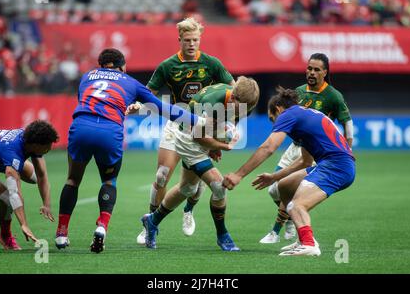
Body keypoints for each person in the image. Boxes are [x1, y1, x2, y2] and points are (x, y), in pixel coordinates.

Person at [54, 48, 207, 253]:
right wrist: (199, 121)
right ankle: (101, 226)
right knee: (109, 181)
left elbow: (84, 99)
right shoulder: (130, 82)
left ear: (101, 65)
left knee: (72, 180)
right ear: (122, 66)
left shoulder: (87, 76)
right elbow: (162, 109)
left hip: (81, 126)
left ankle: (62, 234)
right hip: (109, 131)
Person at [129, 17, 235, 245]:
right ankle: (150, 224)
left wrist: (223, 126)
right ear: (180, 40)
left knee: (192, 187)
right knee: (161, 175)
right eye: (187, 40)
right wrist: (138, 105)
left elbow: (233, 89)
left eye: (195, 39)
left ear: (200, 39)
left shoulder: (212, 63)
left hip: (201, 128)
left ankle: (188, 211)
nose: (191, 44)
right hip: (176, 125)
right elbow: (149, 93)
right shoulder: (167, 65)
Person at [223, 87, 356, 256]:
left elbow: (269, 147)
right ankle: (303, 239)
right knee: (284, 186)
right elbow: (306, 161)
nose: (275, 124)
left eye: (273, 119)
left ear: (278, 109)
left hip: (336, 166)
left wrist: (238, 174)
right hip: (334, 164)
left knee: (296, 205)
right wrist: (274, 177)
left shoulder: (288, 114)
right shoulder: (304, 116)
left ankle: (309, 244)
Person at [141, 77, 260, 251]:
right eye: (241, 107)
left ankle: (152, 221)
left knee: (187, 189)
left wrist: (215, 143)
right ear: (233, 97)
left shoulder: (241, 102)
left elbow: (223, 123)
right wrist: (223, 145)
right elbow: (198, 136)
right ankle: (222, 236)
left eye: (247, 109)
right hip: (187, 138)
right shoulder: (213, 103)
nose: (243, 112)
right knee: (219, 187)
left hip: (201, 135)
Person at [259, 53, 353, 245]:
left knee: (296, 197)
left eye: (317, 69)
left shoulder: (333, 95)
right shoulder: (298, 92)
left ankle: (277, 231)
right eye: (309, 68)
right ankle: (292, 220)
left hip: (318, 149)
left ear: (325, 72)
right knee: (274, 190)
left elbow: (347, 122)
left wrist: (348, 146)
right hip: (297, 147)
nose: (311, 72)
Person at [0, 120, 59, 250]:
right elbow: (14, 192)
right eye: (47, 145)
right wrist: (24, 224)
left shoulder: (30, 139)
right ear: (36, 145)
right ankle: (5, 236)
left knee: (34, 178)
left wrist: (46, 204)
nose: (50, 148)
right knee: (8, 200)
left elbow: (42, 176)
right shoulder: (12, 154)